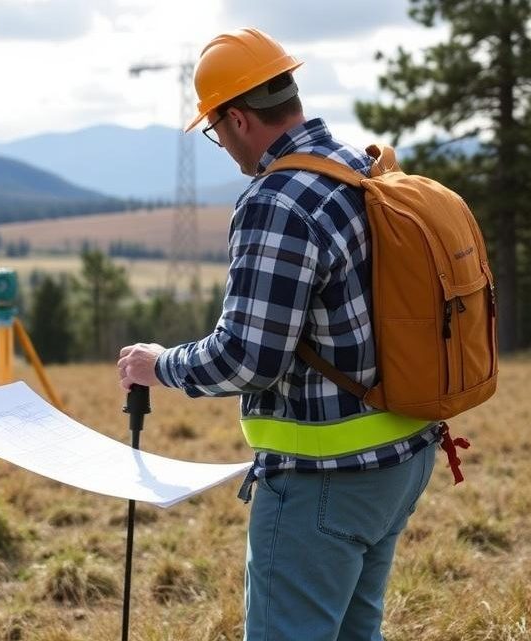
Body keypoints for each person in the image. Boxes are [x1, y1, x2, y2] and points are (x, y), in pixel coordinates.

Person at [117, 28, 440, 640]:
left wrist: (160, 364)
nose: (221, 143)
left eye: (215, 129)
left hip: (325, 476)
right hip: (402, 455)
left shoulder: (277, 201)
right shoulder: (360, 167)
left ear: (238, 119)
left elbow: (247, 358)